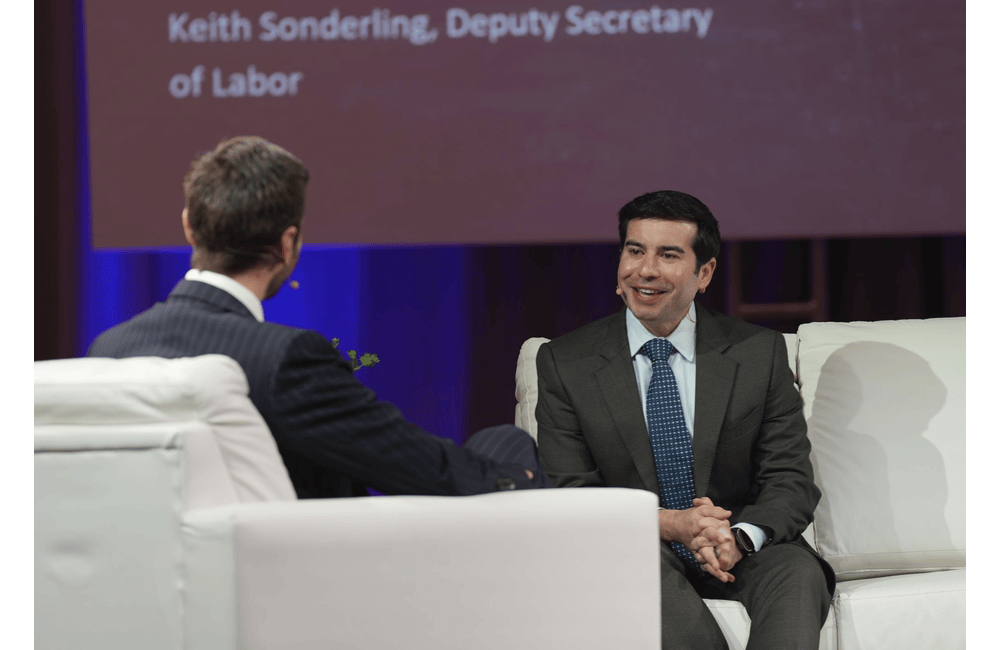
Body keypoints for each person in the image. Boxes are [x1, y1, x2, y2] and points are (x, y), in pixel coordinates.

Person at [88, 135, 548, 498]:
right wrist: (515, 474)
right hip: (304, 581)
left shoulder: (110, 349)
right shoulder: (285, 359)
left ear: (189, 225)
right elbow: (421, 468)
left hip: (165, 581)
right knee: (507, 444)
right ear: (287, 244)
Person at [535, 190, 835, 650]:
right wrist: (673, 524)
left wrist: (738, 537)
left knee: (796, 571)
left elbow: (790, 480)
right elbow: (571, 493)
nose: (645, 270)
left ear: (705, 272)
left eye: (668, 255)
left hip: (739, 546)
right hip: (639, 547)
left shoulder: (758, 353)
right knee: (633, 564)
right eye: (635, 250)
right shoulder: (566, 362)